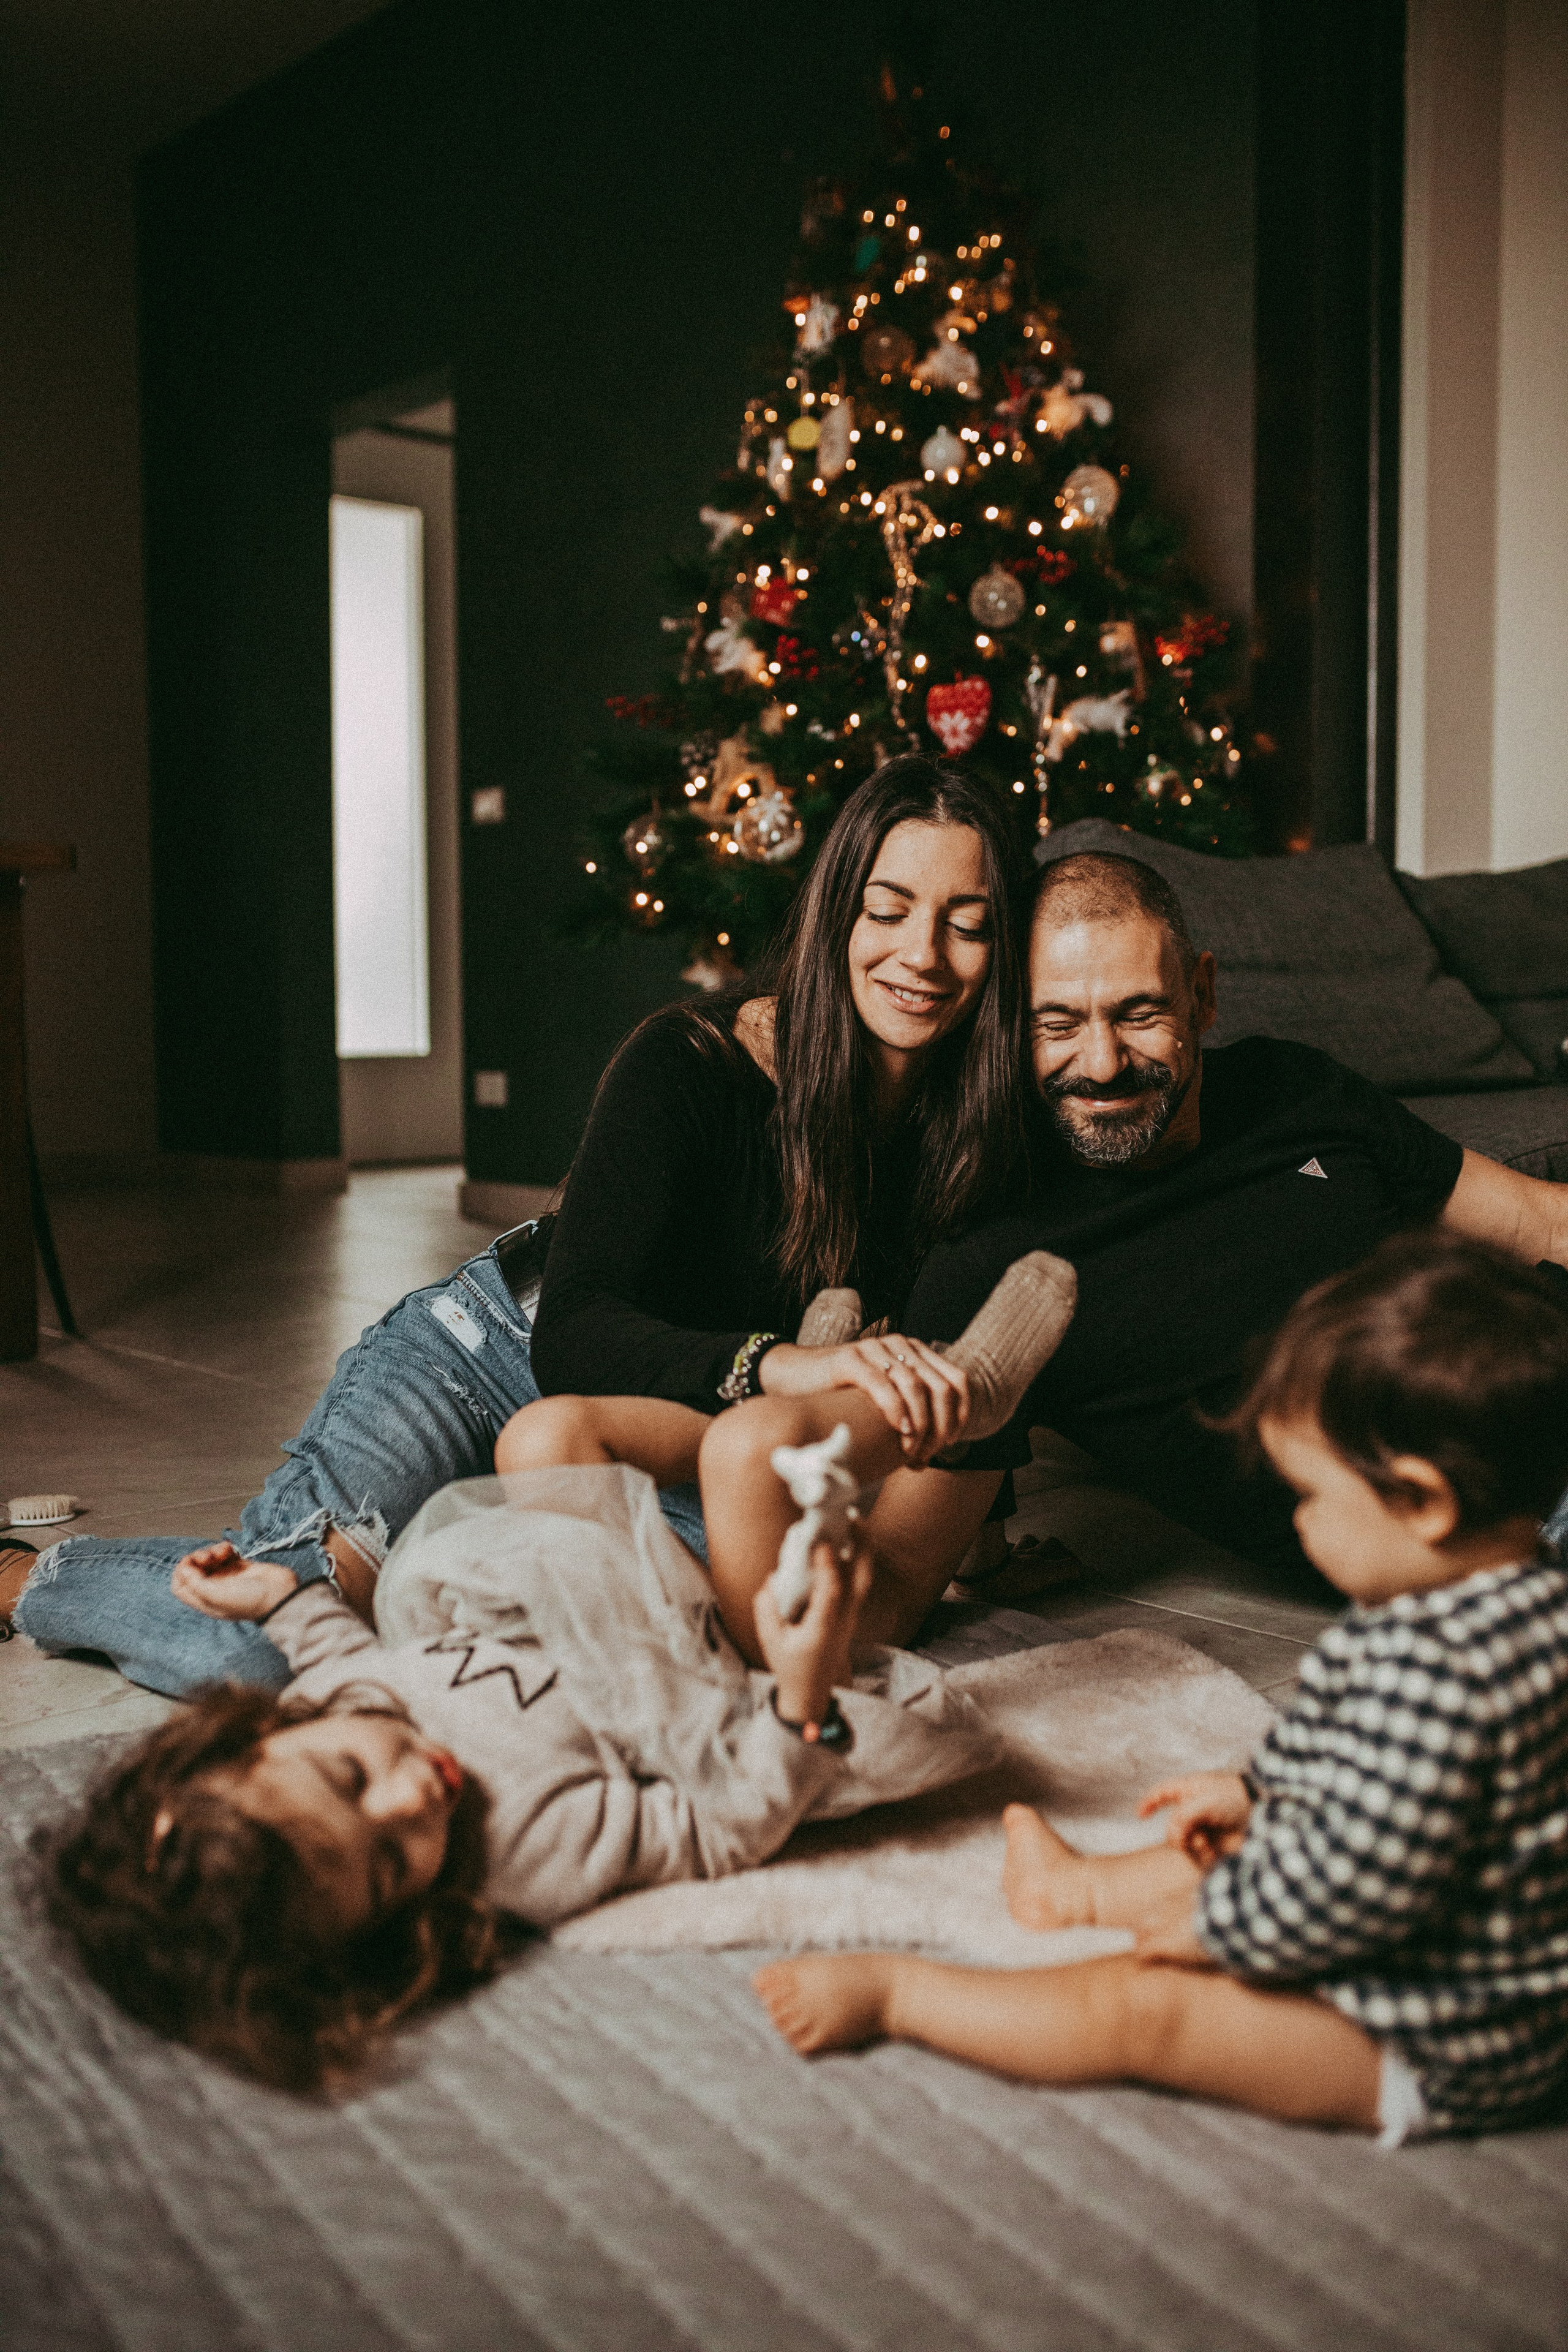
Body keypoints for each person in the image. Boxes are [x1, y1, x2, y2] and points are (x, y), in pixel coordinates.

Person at [4, 757, 1031, 1695]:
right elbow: (575, 1332)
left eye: (967, 924)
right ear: (832, 915)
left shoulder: (977, 1145)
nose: (922, 957)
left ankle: (421, 1569)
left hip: (681, 1451)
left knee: (598, 1667)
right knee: (261, 1651)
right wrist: (782, 1367)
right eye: (887, 910)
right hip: (492, 1353)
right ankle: (25, 1580)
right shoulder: (689, 1063)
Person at [44, 1239, 1080, 2093]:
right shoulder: (529, 1851)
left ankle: (807, 1394)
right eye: (396, 1864)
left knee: (548, 1434)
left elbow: (339, 1659)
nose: (412, 1794)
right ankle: (966, 1403)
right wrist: (804, 1693)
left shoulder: (334, 1711)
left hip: (603, 1593)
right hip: (726, 1668)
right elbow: (717, 1826)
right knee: (747, 1468)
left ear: (267, 1735)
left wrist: (275, 1594)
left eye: (352, 1777)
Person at [754, 1233, 1568, 2143]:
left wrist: (1213, 1932)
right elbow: (1358, 1745)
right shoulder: (1511, 1602)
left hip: (1436, 2036)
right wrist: (1259, 1791)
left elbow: (1354, 1887)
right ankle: (1080, 1893)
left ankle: (901, 1994)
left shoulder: (1438, 1674)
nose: (1298, 1521)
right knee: (1221, 1842)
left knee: (1144, 2011)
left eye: (1309, 1495)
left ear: (1421, 1500)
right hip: (1442, 1923)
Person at [896, 848, 1568, 1581]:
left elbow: (1540, 1222)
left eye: (1139, 1013)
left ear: (1202, 994)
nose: (1102, 1063)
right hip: (1511, 1533)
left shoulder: (1294, 1087)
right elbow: (922, 1565)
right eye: (1054, 1026)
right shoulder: (986, 1261)